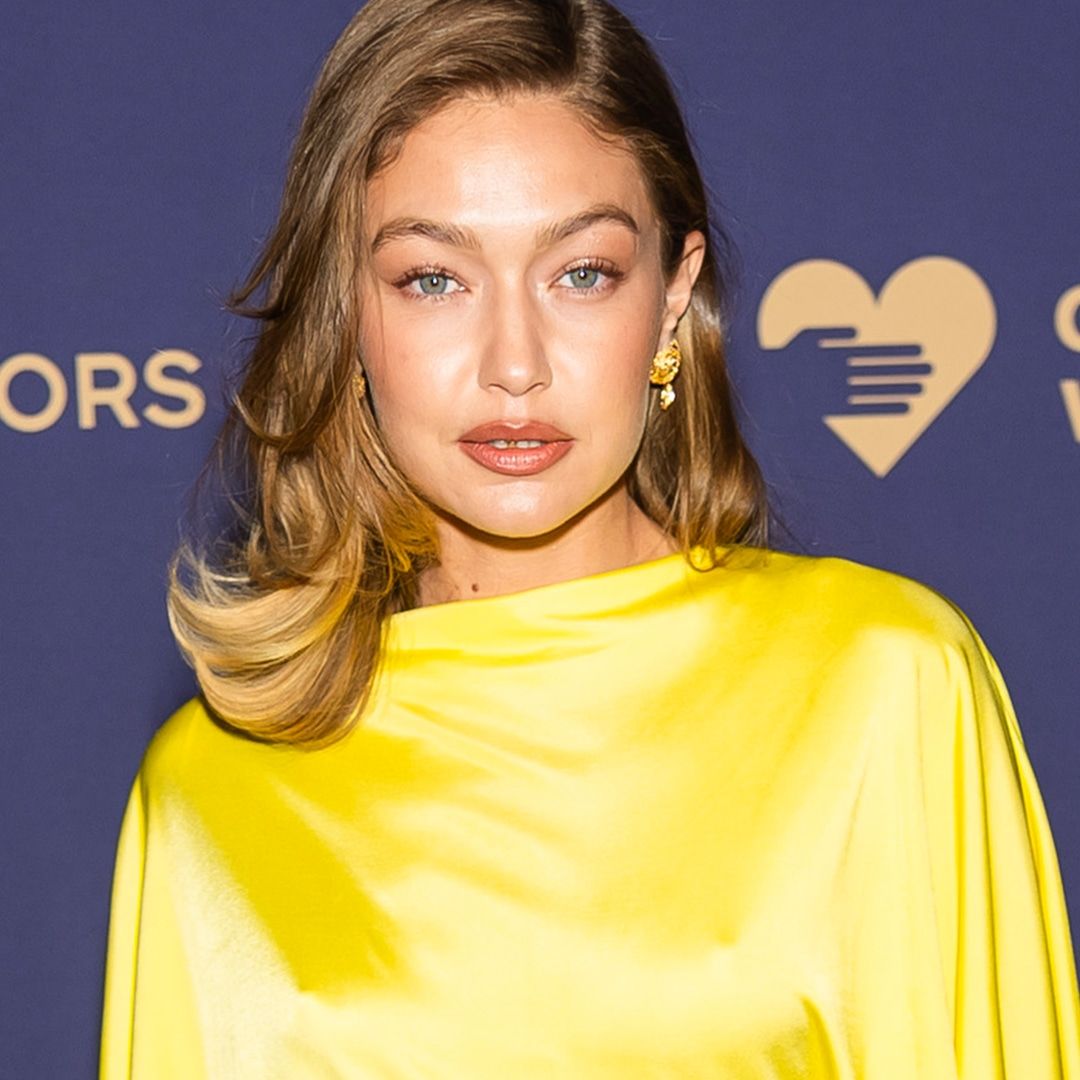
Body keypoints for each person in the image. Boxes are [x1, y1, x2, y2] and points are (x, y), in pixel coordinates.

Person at [99, 0, 1080, 1075]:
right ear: (347, 316)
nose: (514, 363)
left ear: (673, 296)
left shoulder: (886, 685)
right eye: (433, 278)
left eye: (581, 272)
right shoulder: (212, 786)